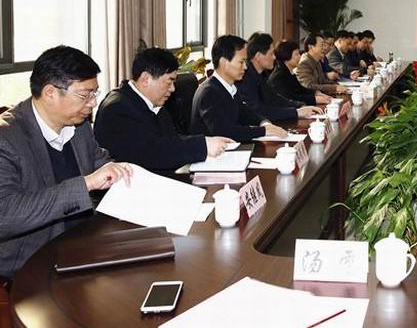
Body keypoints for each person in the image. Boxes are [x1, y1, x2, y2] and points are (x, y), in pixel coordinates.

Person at [0, 46, 133, 279]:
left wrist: (122, 173)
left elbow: (101, 164)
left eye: (94, 93)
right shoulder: (7, 138)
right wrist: (87, 183)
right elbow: (5, 215)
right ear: (50, 92)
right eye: (85, 95)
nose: (93, 103)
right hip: (31, 264)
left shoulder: (79, 126)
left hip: (84, 245)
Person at [95, 48, 234, 171]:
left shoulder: (152, 102)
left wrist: (207, 141)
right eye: (169, 81)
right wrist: (203, 146)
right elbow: (151, 152)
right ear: (146, 79)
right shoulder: (117, 109)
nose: (173, 89)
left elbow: (171, 139)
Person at [190, 35, 288, 141]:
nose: (245, 67)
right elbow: (224, 132)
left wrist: (264, 122)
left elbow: (243, 112)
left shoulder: (229, 87)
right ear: (224, 62)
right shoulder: (209, 92)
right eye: (241, 62)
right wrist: (263, 131)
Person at [238, 33, 322, 121]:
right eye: (271, 54)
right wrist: (296, 112)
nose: (274, 57)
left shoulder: (262, 74)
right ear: (258, 56)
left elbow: (274, 98)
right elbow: (258, 110)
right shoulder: (245, 78)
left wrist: (300, 106)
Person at [269, 40, 333, 105]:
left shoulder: (289, 72)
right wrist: (315, 99)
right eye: (296, 54)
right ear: (287, 56)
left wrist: (316, 93)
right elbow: (290, 98)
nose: (300, 57)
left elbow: (301, 89)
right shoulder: (278, 77)